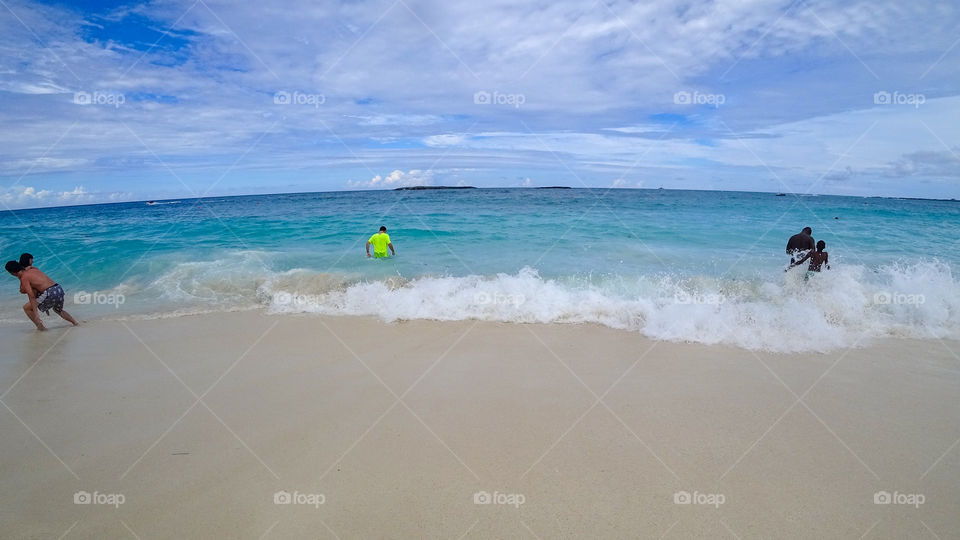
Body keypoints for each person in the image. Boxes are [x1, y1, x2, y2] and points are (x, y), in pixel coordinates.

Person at [5, 261, 78, 330]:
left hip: (50, 292)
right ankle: (75, 323)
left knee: (27, 308)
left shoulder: (24, 277)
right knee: (58, 310)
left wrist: (36, 314)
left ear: (12, 272)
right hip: (58, 288)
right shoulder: (32, 269)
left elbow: (31, 296)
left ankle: (41, 328)